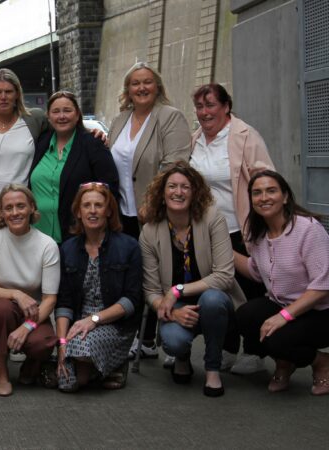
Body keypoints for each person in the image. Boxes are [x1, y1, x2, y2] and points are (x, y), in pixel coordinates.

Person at [189, 83, 274, 374]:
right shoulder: (195, 140)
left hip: (241, 229)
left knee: (251, 290)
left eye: (210, 105)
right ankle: (226, 348)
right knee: (220, 292)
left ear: (226, 106)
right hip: (207, 231)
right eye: (199, 107)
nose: (204, 112)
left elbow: (266, 179)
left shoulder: (246, 136)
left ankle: (256, 352)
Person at [139, 162, 245, 397]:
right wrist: (173, 312)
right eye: (172, 186)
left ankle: (212, 367)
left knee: (212, 300)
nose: (178, 192)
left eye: (186, 187)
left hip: (214, 298)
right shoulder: (149, 231)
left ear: (195, 192)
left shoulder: (212, 219)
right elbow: (151, 290)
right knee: (174, 341)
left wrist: (177, 290)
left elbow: (225, 275)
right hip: (175, 306)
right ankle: (182, 357)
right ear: (162, 193)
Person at [108, 62, 191, 359]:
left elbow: (176, 163)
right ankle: (139, 338)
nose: (141, 88)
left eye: (147, 82)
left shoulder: (170, 117)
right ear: (127, 90)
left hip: (157, 212)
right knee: (134, 275)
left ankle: (169, 340)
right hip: (123, 211)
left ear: (157, 87)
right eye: (135, 83)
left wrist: (152, 201)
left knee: (164, 272)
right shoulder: (120, 120)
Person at [234, 171, 329, 395]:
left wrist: (282, 317)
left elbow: (323, 285)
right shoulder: (259, 234)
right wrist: (221, 250)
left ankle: (321, 362)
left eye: (271, 190)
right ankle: (285, 362)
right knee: (244, 317)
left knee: (277, 337)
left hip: (320, 313)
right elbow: (256, 272)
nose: (264, 197)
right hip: (284, 306)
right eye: (257, 193)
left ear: (285, 196)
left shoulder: (307, 229)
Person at [56, 183, 142, 392]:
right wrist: (61, 341)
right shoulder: (67, 249)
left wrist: (94, 320)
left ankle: (113, 362)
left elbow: (132, 300)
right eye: (86, 205)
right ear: (78, 211)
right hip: (79, 324)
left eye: (98, 205)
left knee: (80, 352)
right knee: (67, 384)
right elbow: (64, 302)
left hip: (115, 324)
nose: (92, 211)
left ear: (109, 210)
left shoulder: (129, 246)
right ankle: (101, 369)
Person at [0, 184, 59, 396]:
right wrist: (16, 294)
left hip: (32, 313)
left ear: (32, 207)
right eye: (9, 208)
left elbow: (50, 299)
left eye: (21, 206)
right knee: (3, 309)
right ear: (1, 213)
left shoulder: (47, 245)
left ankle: (31, 366)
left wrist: (27, 327)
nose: (15, 213)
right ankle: (2, 374)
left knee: (44, 342)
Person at [0, 68, 49, 252]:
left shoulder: (34, 119)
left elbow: (65, 128)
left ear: (17, 94)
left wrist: (94, 134)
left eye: (8, 91)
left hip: (17, 212)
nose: (3, 97)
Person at [29, 91, 120, 244]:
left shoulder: (93, 144)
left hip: (76, 238)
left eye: (67, 110)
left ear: (77, 114)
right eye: (56, 111)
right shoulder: (40, 143)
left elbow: (110, 189)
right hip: (38, 238)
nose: (61, 116)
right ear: (49, 117)